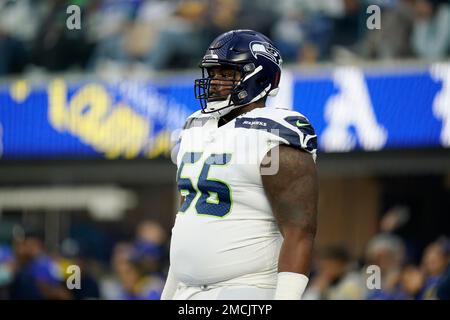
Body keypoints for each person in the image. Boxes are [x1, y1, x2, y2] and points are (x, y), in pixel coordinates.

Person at [161, 29, 318, 300]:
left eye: (226, 74)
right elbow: (188, 219)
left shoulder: (274, 135)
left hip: (247, 290)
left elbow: (300, 232)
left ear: (260, 77)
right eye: (213, 74)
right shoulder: (195, 125)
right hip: (187, 291)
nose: (214, 83)